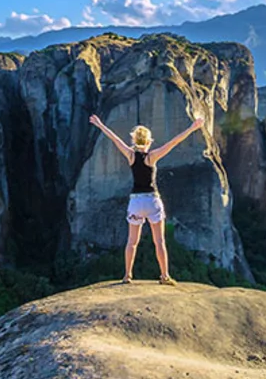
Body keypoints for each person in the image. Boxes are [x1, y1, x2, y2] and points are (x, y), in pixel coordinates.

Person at [88, 113, 205, 285]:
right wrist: (192, 128)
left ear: (134, 141)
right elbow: (174, 142)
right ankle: (164, 276)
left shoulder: (130, 155)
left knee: (132, 242)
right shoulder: (152, 156)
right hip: (152, 201)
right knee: (159, 241)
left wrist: (100, 124)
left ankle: (127, 275)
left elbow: (114, 139)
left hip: (135, 202)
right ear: (149, 141)